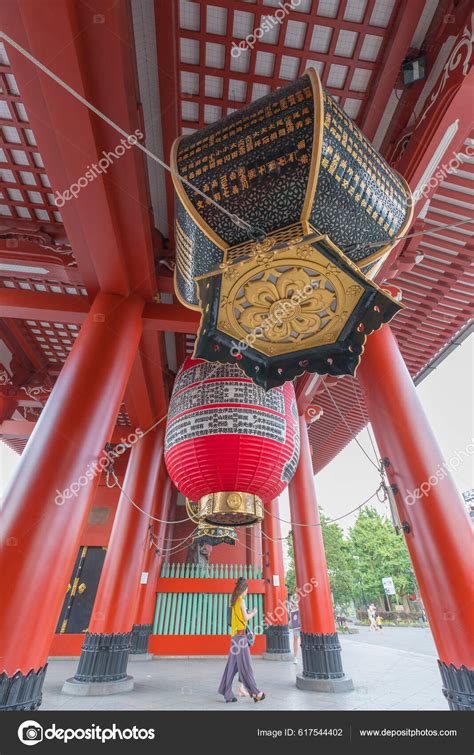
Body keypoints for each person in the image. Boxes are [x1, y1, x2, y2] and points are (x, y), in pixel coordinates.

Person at [218, 577, 266, 703]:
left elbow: (240, 618)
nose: (247, 592)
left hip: (235, 637)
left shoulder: (234, 601)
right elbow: (246, 617)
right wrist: (254, 613)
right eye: (246, 590)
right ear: (243, 589)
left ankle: (227, 693)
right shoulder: (241, 601)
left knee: (232, 667)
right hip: (240, 639)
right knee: (246, 665)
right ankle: (256, 693)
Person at [289, 595, 301, 664]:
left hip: (302, 618)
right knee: (295, 638)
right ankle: (295, 657)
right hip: (296, 619)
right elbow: (291, 608)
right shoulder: (293, 597)